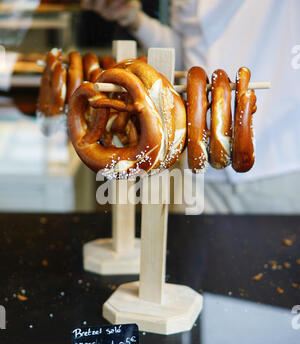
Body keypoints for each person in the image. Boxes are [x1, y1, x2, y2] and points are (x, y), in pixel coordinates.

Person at [81, 0, 300, 214]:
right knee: (195, 245)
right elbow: (185, 54)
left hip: (276, 159)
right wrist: (135, 20)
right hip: (200, 170)